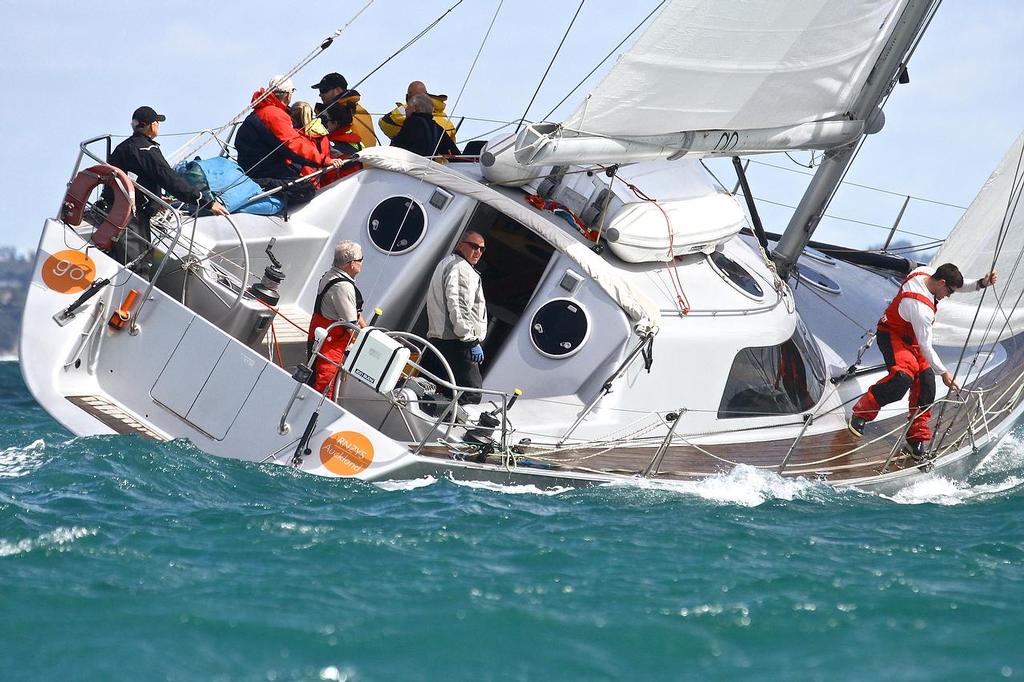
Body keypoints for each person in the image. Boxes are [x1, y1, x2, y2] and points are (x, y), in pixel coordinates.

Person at [848, 263, 998, 460]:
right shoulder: (920, 308)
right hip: (893, 335)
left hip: (914, 340)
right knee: (902, 379)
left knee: (927, 383)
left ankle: (915, 437)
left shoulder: (926, 272)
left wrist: (981, 283)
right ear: (941, 283)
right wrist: (944, 373)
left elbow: (957, 285)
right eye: (949, 292)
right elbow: (926, 347)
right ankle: (861, 413)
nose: (949, 295)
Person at [106, 105, 228, 273]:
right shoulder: (147, 149)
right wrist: (206, 202)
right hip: (130, 219)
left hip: (112, 210)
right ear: (152, 125)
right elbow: (170, 179)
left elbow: (134, 178)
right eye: (157, 122)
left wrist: (158, 199)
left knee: (121, 261)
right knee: (138, 269)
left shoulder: (124, 147)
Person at [234, 75, 345, 204]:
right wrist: (324, 160)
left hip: (253, 166)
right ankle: (257, 185)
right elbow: (292, 145)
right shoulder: (273, 114)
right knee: (305, 189)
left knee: (297, 177)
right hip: (262, 172)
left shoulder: (262, 112)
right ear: (288, 95)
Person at [422, 230, 488, 405]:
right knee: (470, 395)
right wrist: (471, 342)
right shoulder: (461, 268)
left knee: (430, 389)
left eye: (482, 249)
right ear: (461, 245)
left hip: (439, 339)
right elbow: (458, 306)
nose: (478, 252)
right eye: (474, 246)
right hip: (456, 342)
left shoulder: (448, 263)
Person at [307, 240, 367, 398]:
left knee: (314, 377)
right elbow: (352, 326)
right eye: (361, 260)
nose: (362, 263)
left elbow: (355, 313)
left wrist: (367, 331)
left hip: (319, 338)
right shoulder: (343, 287)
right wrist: (369, 346)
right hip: (329, 346)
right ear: (352, 263)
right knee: (322, 385)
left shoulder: (330, 275)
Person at [311, 72, 377, 148]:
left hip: (348, 156)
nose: (320, 94)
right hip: (367, 155)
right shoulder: (361, 111)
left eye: (324, 90)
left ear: (338, 90)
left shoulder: (341, 113)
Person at [379, 80, 457, 143]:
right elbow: (452, 152)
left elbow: (385, 122)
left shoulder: (409, 118)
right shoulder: (445, 123)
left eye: (410, 96)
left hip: (412, 160)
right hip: (439, 161)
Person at [390, 94, 460, 158]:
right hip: (429, 168)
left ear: (415, 108)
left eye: (408, 106)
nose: (405, 109)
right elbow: (454, 154)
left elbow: (396, 146)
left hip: (410, 166)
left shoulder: (411, 122)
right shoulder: (438, 129)